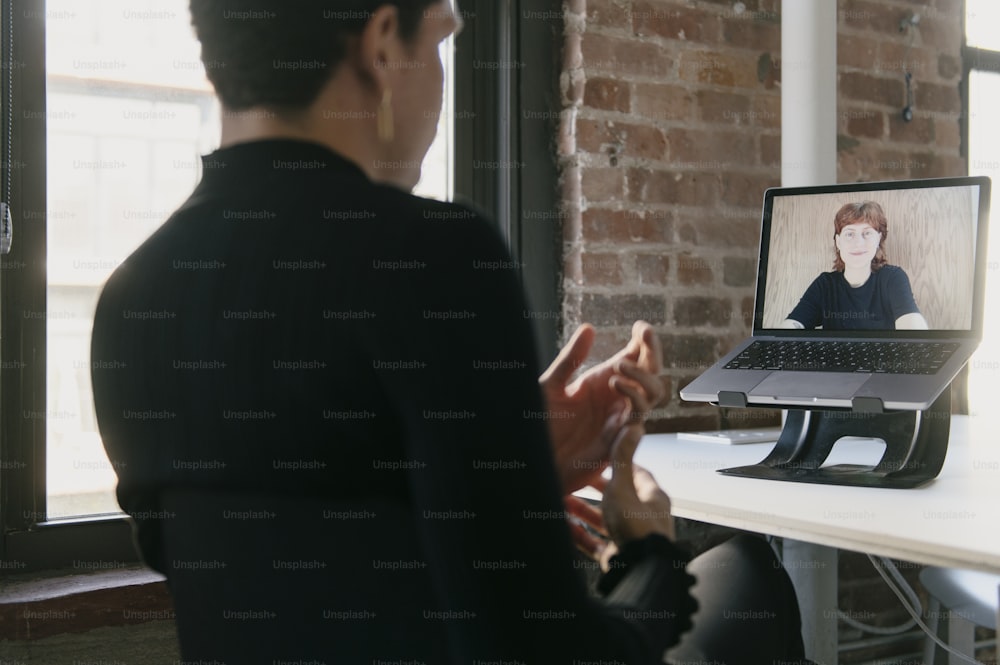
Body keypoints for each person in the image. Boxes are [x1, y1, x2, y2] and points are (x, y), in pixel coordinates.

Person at [89, 1, 809, 663]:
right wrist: (646, 550)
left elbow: (284, 574)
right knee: (744, 573)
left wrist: (502, 452)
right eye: (438, 42)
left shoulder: (130, 299)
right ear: (379, 44)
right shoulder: (433, 256)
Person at [781, 201, 929, 330]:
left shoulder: (892, 278)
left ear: (878, 239)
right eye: (850, 234)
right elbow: (794, 323)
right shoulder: (825, 284)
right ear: (838, 242)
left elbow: (912, 324)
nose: (858, 243)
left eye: (867, 233)